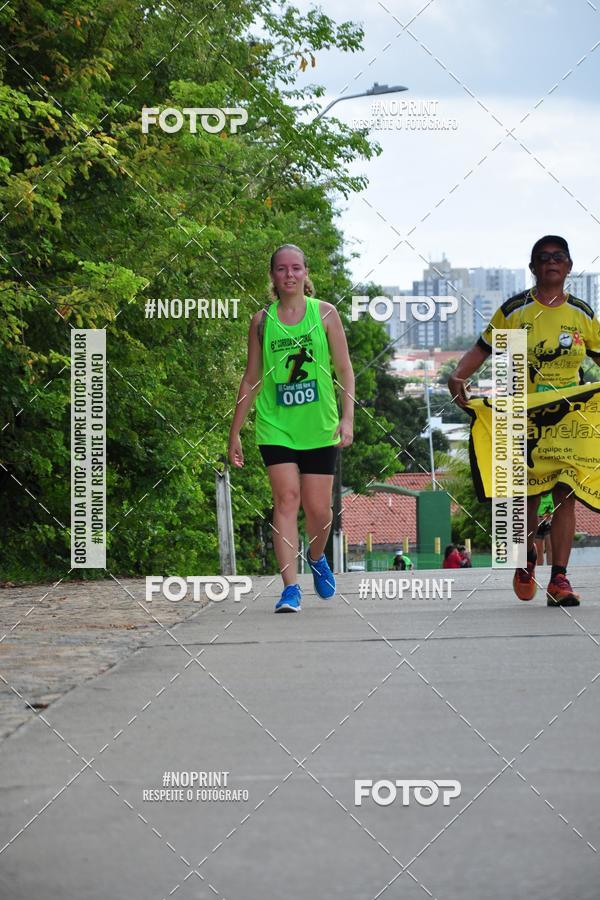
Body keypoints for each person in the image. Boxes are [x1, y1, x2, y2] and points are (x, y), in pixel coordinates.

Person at [448, 235, 600, 606]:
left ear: (568, 267)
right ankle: (527, 557)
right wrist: (457, 377)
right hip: (525, 418)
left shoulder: (583, 314)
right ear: (532, 268)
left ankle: (559, 579)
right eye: (543, 258)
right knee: (527, 499)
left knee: (567, 493)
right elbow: (482, 349)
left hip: (569, 419)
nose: (551, 262)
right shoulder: (514, 312)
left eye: (559, 257)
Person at [228, 244, 355, 613]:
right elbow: (252, 378)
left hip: (319, 425)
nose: (289, 275)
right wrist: (235, 431)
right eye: (281, 269)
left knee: (319, 511)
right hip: (276, 425)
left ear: (305, 273)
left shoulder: (326, 314)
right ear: (272, 276)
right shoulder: (262, 321)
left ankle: (316, 557)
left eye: (296, 268)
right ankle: (290, 587)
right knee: (286, 500)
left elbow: (344, 369)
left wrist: (347, 418)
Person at [534, 493, 554, 565]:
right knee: (539, 549)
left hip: (549, 522)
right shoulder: (536, 494)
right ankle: (539, 568)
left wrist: (551, 515)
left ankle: (550, 568)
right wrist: (536, 517)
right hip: (537, 522)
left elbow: (559, 508)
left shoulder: (552, 494)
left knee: (550, 547)